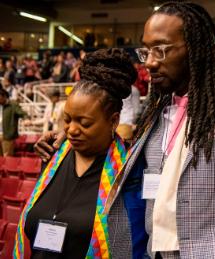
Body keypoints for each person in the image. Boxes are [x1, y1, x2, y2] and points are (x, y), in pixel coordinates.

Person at [35, 2, 215, 259]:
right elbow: (120, 157)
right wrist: (65, 139)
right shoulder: (155, 113)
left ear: (194, 50)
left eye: (160, 50)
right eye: (145, 51)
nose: (149, 63)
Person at [14, 48, 136, 259]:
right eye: (68, 120)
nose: (71, 129)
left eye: (84, 123)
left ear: (114, 121)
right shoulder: (52, 155)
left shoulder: (127, 172)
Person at [0, 88, 26, 156]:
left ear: (4, 96)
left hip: (7, 136)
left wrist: (26, 119)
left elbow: (22, 113)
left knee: (7, 158)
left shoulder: (13, 104)